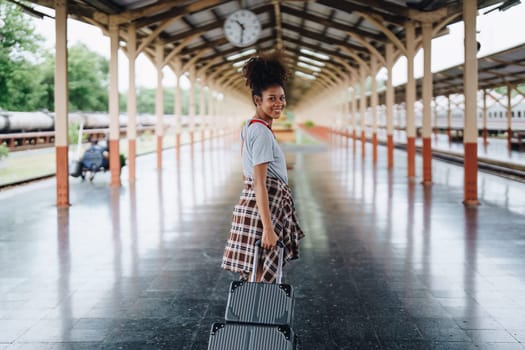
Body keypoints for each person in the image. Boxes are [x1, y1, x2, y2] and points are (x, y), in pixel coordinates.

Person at [221, 51, 305, 283]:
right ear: (258, 100)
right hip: (262, 212)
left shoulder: (254, 126)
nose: (279, 103)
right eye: (272, 98)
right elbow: (259, 181)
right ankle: (252, 318)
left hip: (262, 207)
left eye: (281, 98)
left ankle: (250, 317)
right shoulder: (260, 132)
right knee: (261, 275)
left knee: (258, 273)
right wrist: (268, 228)